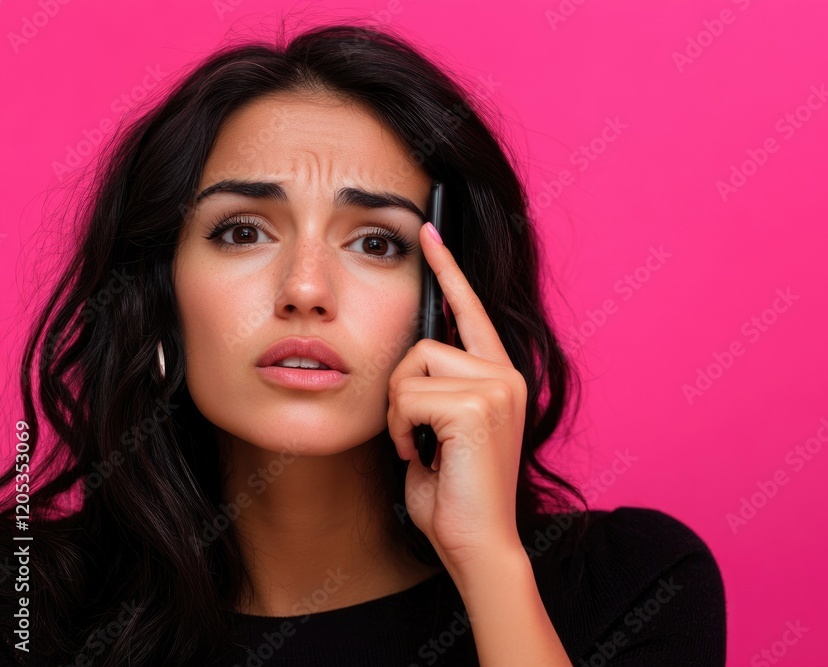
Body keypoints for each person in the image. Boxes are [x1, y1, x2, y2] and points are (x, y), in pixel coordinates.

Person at [0, 22, 726, 666]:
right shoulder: (29, 602)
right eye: (242, 231)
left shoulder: (636, 587)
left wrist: (490, 565)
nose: (306, 288)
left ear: (447, 303)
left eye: (377, 242)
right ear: (157, 299)